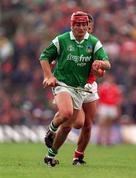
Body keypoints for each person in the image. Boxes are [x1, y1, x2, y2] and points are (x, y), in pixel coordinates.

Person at [39, 11, 111, 167]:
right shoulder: (62, 40)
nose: (82, 27)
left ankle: (52, 155)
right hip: (63, 84)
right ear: (71, 25)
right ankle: (52, 129)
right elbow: (44, 56)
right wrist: (48, 76)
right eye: (77, 24)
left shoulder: (93, 43)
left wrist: (100, 66)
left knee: (78, 124)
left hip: (83, 88)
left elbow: (104, 68)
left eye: (84, 24)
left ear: (89, 26)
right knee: (66, 113)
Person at [96, 74, 122, 145]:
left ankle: (108, 140)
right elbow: (98, 97)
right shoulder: (103, 87)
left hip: (112, 106)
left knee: (109, 124)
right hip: (104, 106)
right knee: (102, 123)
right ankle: (99, 139)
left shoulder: (115, 88)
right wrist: (98, 107)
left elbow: (118, 99)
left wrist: (117, 109)